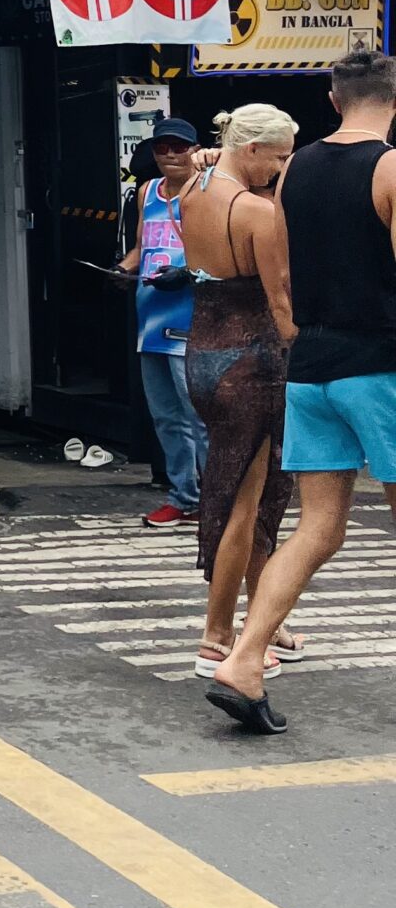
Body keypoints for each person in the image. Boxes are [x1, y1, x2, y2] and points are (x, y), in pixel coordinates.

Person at [208, 50, 396, 735]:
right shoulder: (390, 167)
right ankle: (244, 657)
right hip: (379, 368)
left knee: (320, 527)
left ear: (332, 98)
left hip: (313, 367)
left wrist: (303, 339)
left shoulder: (296, 173)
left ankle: (244, 659)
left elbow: (282, 278)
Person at [178, 103, 298, 686]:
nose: (281, 168)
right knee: (246, 502)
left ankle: (263, 621)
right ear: (251, 150)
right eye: (277, 157)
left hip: (202, 352)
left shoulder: (190, 192)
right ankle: (218, 637)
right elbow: (281, 305)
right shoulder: (254, 212)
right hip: (254, 360)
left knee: (234, 486)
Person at [119, 118, 208, 530]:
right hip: (151, 316)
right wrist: (121, 270)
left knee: (199, 414)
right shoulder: (147, 192)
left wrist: (189, 271)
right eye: (162, 148)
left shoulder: (208, 192)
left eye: (179, 147)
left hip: (191, 315)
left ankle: (216, 497)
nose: (171, 155)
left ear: (194, 149)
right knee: (166, 417)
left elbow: (221, 248)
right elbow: (141, 247)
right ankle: (183, 496)